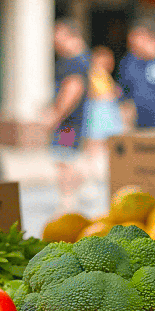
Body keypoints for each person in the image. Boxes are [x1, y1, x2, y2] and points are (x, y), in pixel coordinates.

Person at [44, 20, 90, 211]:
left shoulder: (73, 62)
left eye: (58, 35)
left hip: (68, 124)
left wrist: (55, 115)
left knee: (64, 161)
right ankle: (85, 183)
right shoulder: (81, 60)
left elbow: (73, 89)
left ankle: (68, 202)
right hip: (73, 121)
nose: (54, 40)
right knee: (69, 158)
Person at [84, 45, 124, 156]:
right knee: (95, 140)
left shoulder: (105, 76)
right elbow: (92, 92)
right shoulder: (92, 74)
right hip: (98, 110)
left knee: (108, 140)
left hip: (108, 110)